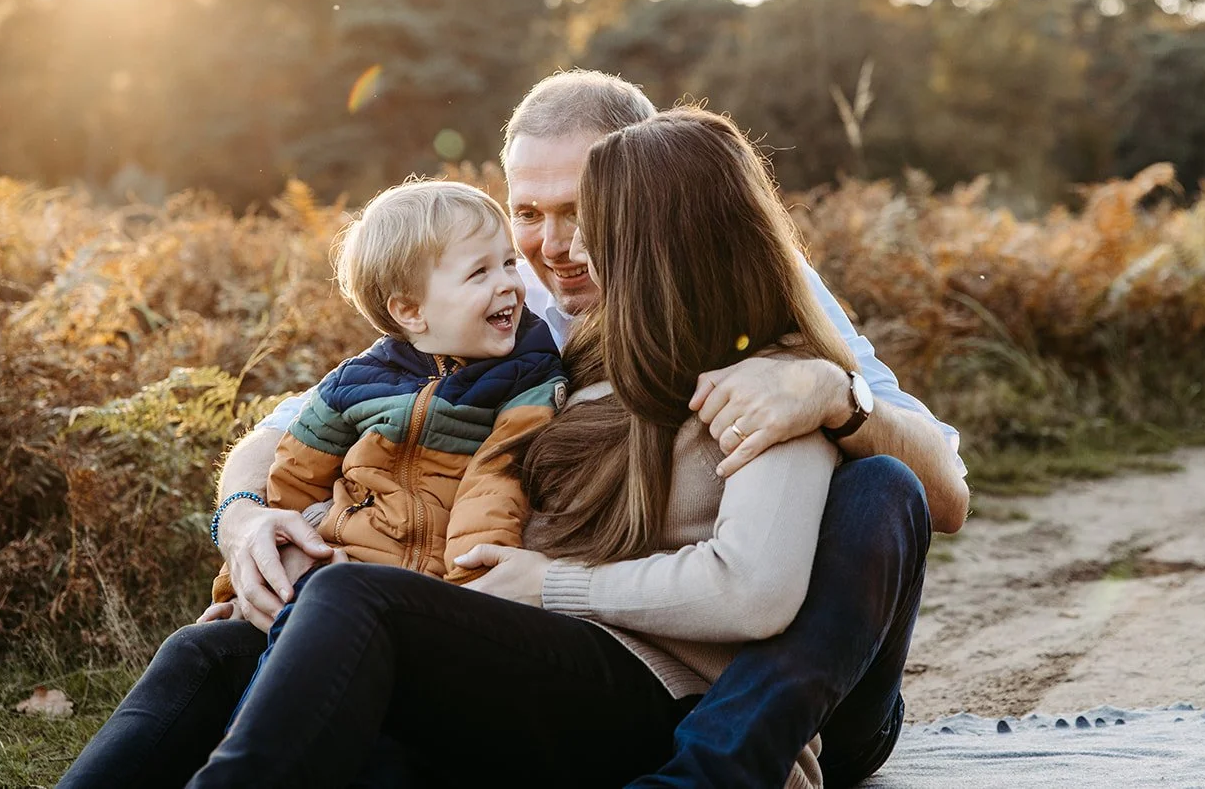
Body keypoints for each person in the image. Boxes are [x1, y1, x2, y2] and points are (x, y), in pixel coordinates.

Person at [70, 72, 969, 788]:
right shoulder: (513, 306)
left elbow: (923, 505)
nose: (552, 247)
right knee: (218, 651)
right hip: (555, 649)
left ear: (651, 205)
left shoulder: (761, 344)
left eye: (584, 210)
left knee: (878, 483)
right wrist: (249, 522)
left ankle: (735, 754)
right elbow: (319, 418)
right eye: (526, 214)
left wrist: (832, 396)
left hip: (723, 678)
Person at [199, 180, 565, 720]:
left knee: (306, 696)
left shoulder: (527, 375)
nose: (511, 285)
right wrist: (242, 584)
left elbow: (496, 485)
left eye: (509, 263)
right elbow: (289, 486)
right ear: (411, 311)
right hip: (334, 574)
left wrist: (468, 598)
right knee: (212, 660)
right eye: (480, 273)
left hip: (424, 600)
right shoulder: (357, 382)